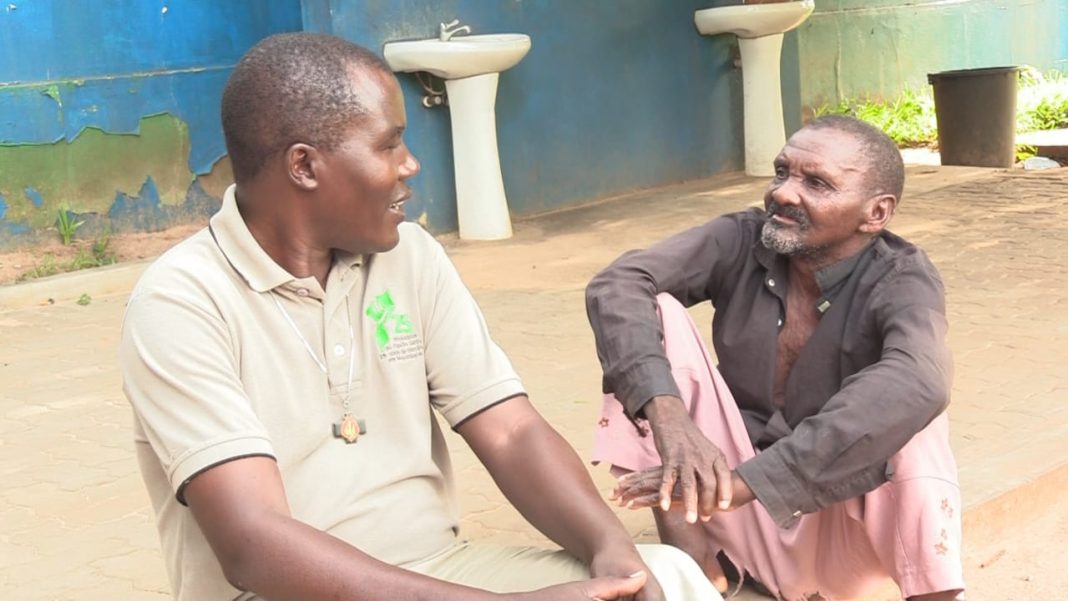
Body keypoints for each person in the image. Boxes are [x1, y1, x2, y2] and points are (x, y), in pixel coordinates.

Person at [119, 33, 720, 601]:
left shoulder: (410, 257)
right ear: (304, 166)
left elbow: (510, 431)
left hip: (437, 574)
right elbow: (251, 542)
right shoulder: (182, 300)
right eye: (388, 144)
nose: (411, 165)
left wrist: (613, 550)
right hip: (280, 591)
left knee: (668, 577)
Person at [586, 115, 965, 601]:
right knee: (643, 319)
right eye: (782, 172)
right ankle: (697, 568)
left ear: (876, 213)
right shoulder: (744, 238)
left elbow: (921, 382)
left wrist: (754, 482)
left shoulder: (902, 278)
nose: (784, 193)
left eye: (817, 183)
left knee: (912, 412)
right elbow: (617, 283)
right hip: (720, 507)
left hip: (833, 531)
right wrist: (671, 420)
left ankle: (935, 595)